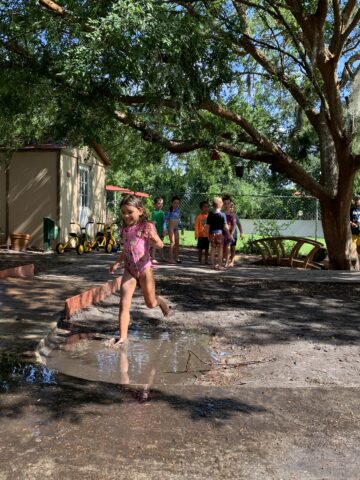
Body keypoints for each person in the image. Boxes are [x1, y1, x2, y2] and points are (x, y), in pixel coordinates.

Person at [107, 195, 170, 347]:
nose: (126, 215)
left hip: (144, 269)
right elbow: (126, 250)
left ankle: (160, 301)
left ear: (140, 211)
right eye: (123, 212)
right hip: (129, 269)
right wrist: (116, 263)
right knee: (123, 303)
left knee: (150, 303)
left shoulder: (147, 227)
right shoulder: (123, 230)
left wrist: (154, 239)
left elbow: (161, 245)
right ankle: (123, 337)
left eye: (129, 212)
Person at [206, 196, 231, 270]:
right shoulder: (222, 214)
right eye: (222, 202)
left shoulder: (210, 214)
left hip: (212, 234)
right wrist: (229, 235)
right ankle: (220, 266)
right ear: (220, 204)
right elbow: (225, 226)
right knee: (220, 250)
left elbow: (208, 226)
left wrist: (208, 235)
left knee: (213, 250)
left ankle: (212, 265)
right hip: (220, 234)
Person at [164, 196, 183, 264]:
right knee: (172, 243)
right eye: (175, 203)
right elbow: (165, 220)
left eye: (178, 203)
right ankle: (170, 258)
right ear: (172, 203)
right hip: (171, 228)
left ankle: (177, 257)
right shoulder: (169, 211)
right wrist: (164, 228)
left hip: (176, 229)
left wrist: (182, 228)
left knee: (177, 243)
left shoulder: (178, 211)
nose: (176, 204)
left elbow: (179, 219)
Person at [222, 194, 236, 268]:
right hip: (221, 233)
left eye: (228, 203)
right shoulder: (221, 213)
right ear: (223, 204)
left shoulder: (232, 214)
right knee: (221, 247)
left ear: (230, 203)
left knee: (228, 247)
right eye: (225, 203)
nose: (227, 205)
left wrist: (232, 234)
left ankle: (227, 262)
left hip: (229, 233)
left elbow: (234, 225)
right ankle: (221, 261)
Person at [229, 201, 244, 267]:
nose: (231, 208)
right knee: (226, 248)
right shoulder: (225, 215)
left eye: (232, 207)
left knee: (233, 248)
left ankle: (232, 261)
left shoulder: (235, 216)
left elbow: (239, 225)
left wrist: (241, 233)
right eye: (230, 207)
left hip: (234, 235)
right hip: (226, 235)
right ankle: (227, 259)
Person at [150, 196, 165, 263]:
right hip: (156, 231)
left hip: (161, 231)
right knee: (154, 245)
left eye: (161, 203)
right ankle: (153, 257)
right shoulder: (154, 213)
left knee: (161, 244)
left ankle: (162, 257)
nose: (160, 205)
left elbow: (164, 222)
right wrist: (154, 231)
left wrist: (165, 229)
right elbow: (153, 222)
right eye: (159, 203)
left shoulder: (162, 212)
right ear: (155, 204)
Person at [350, 195, 360, 266]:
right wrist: (352, 223)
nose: (357, 201)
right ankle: (355, 265)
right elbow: (347, 219)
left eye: (358, 199)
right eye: (355, 199)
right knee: (353, 249)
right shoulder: (351, 209)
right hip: (354, 232)